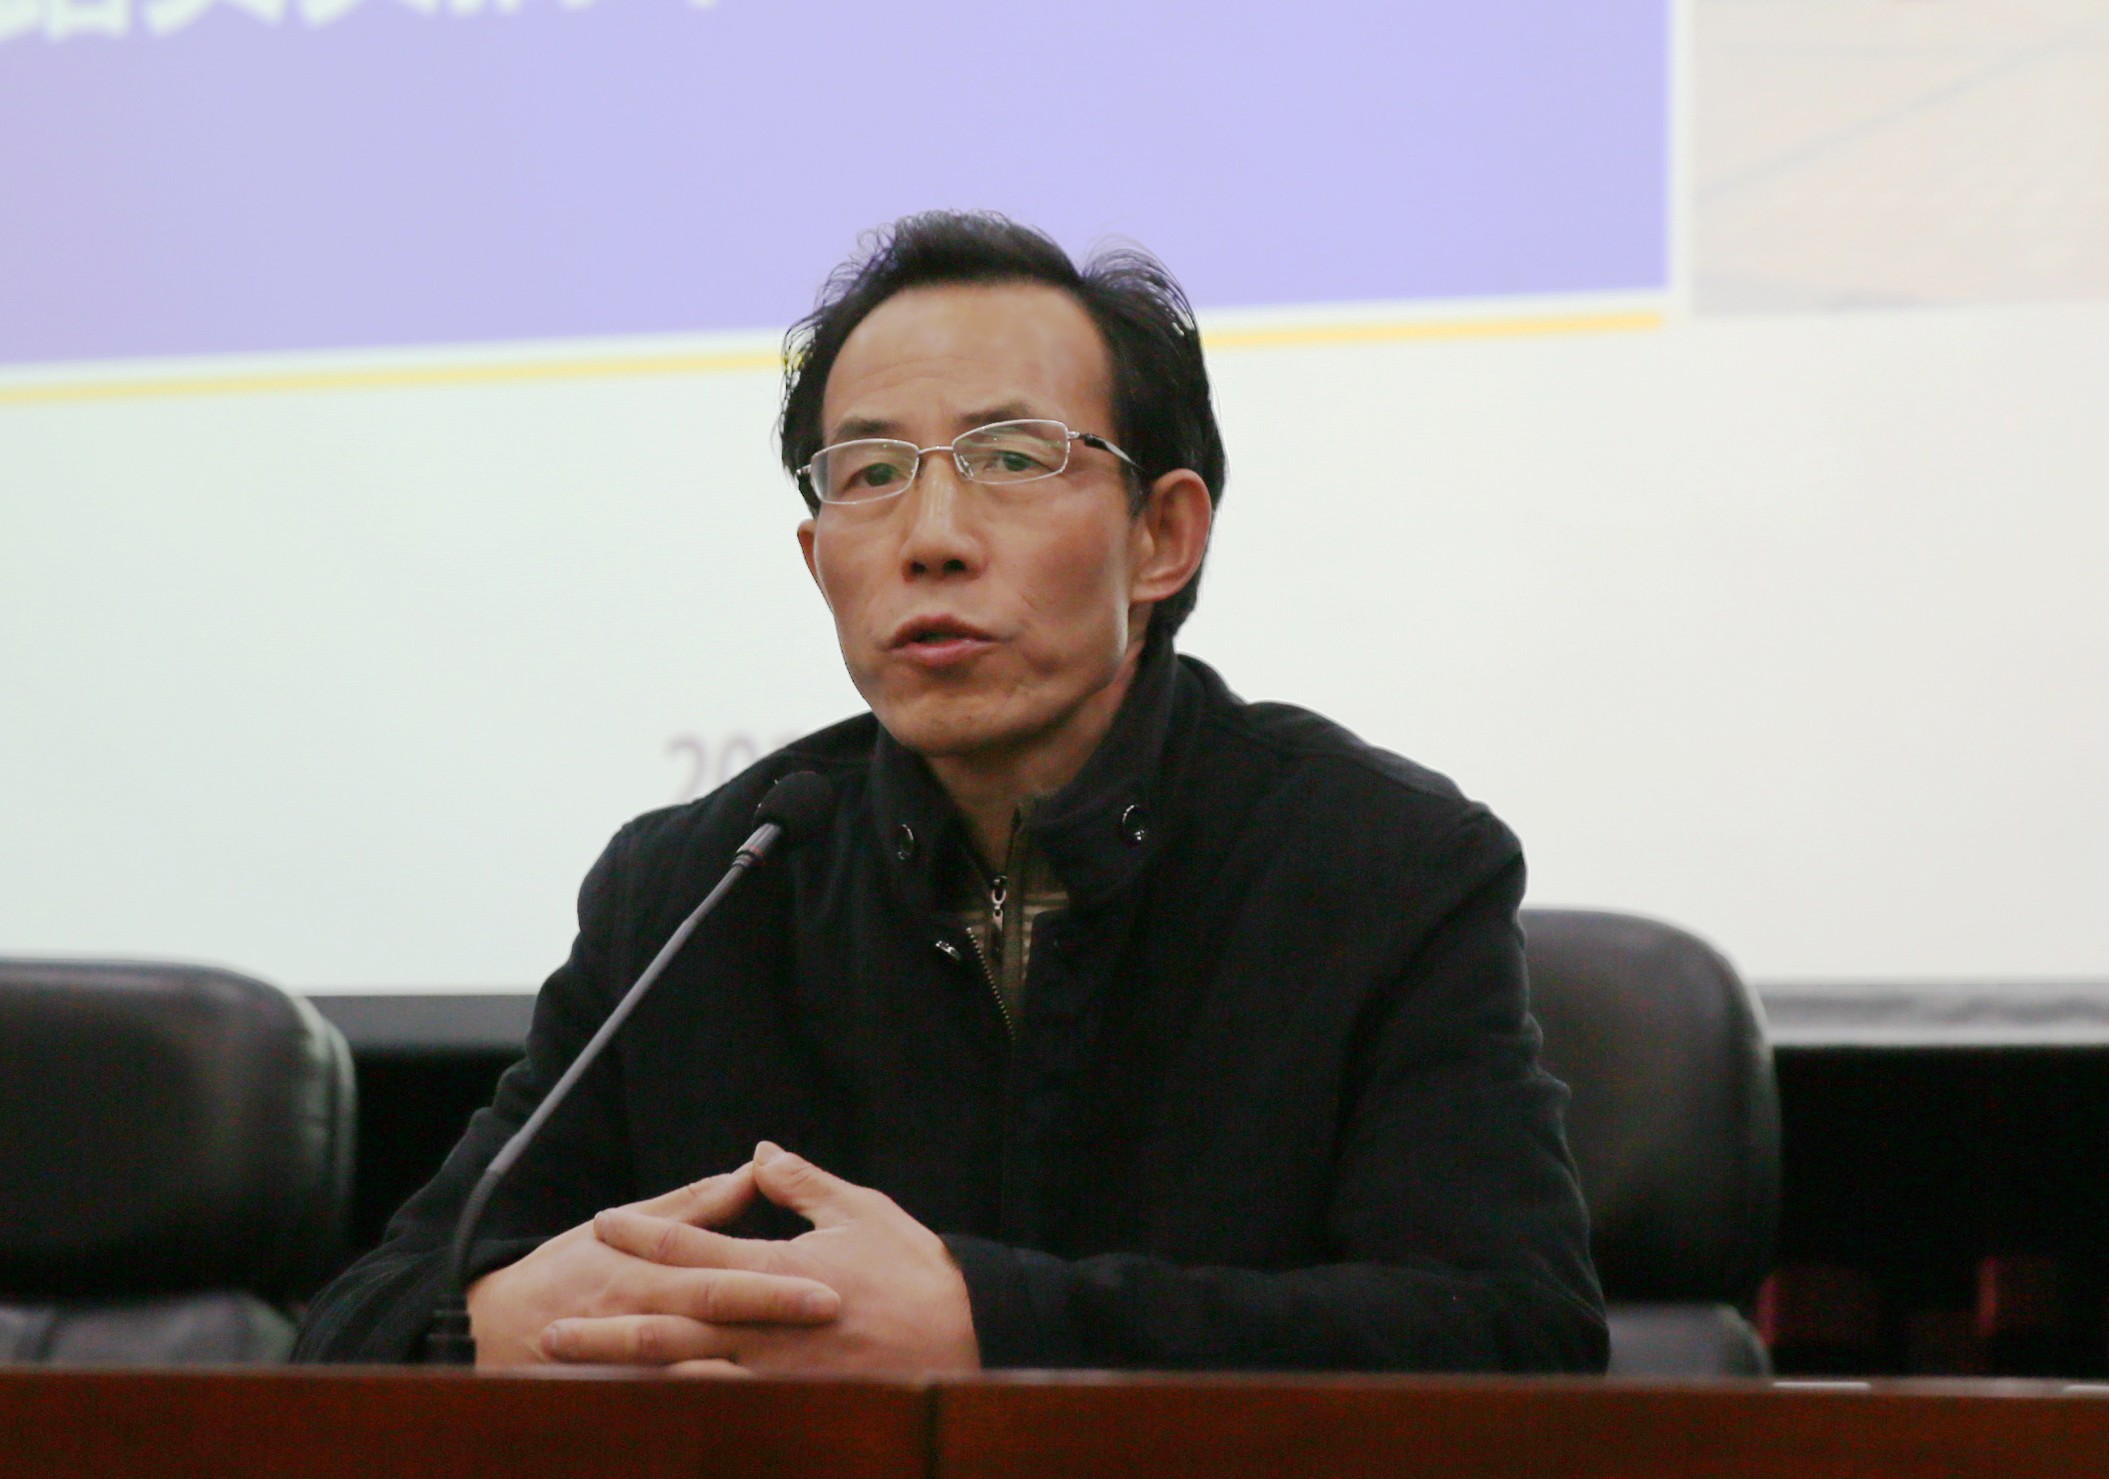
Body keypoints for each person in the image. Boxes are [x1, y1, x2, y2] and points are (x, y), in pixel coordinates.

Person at [295, 212, 1606, 1373]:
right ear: (817, 558)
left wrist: (995, 1327)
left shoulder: (1377, 863)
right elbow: (363, 1314)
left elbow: (1514, 1335)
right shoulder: (698, 885)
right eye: (870, 476)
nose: (929, 539)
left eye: (1012, 459)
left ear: (1162, 536)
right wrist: (473, 1328)